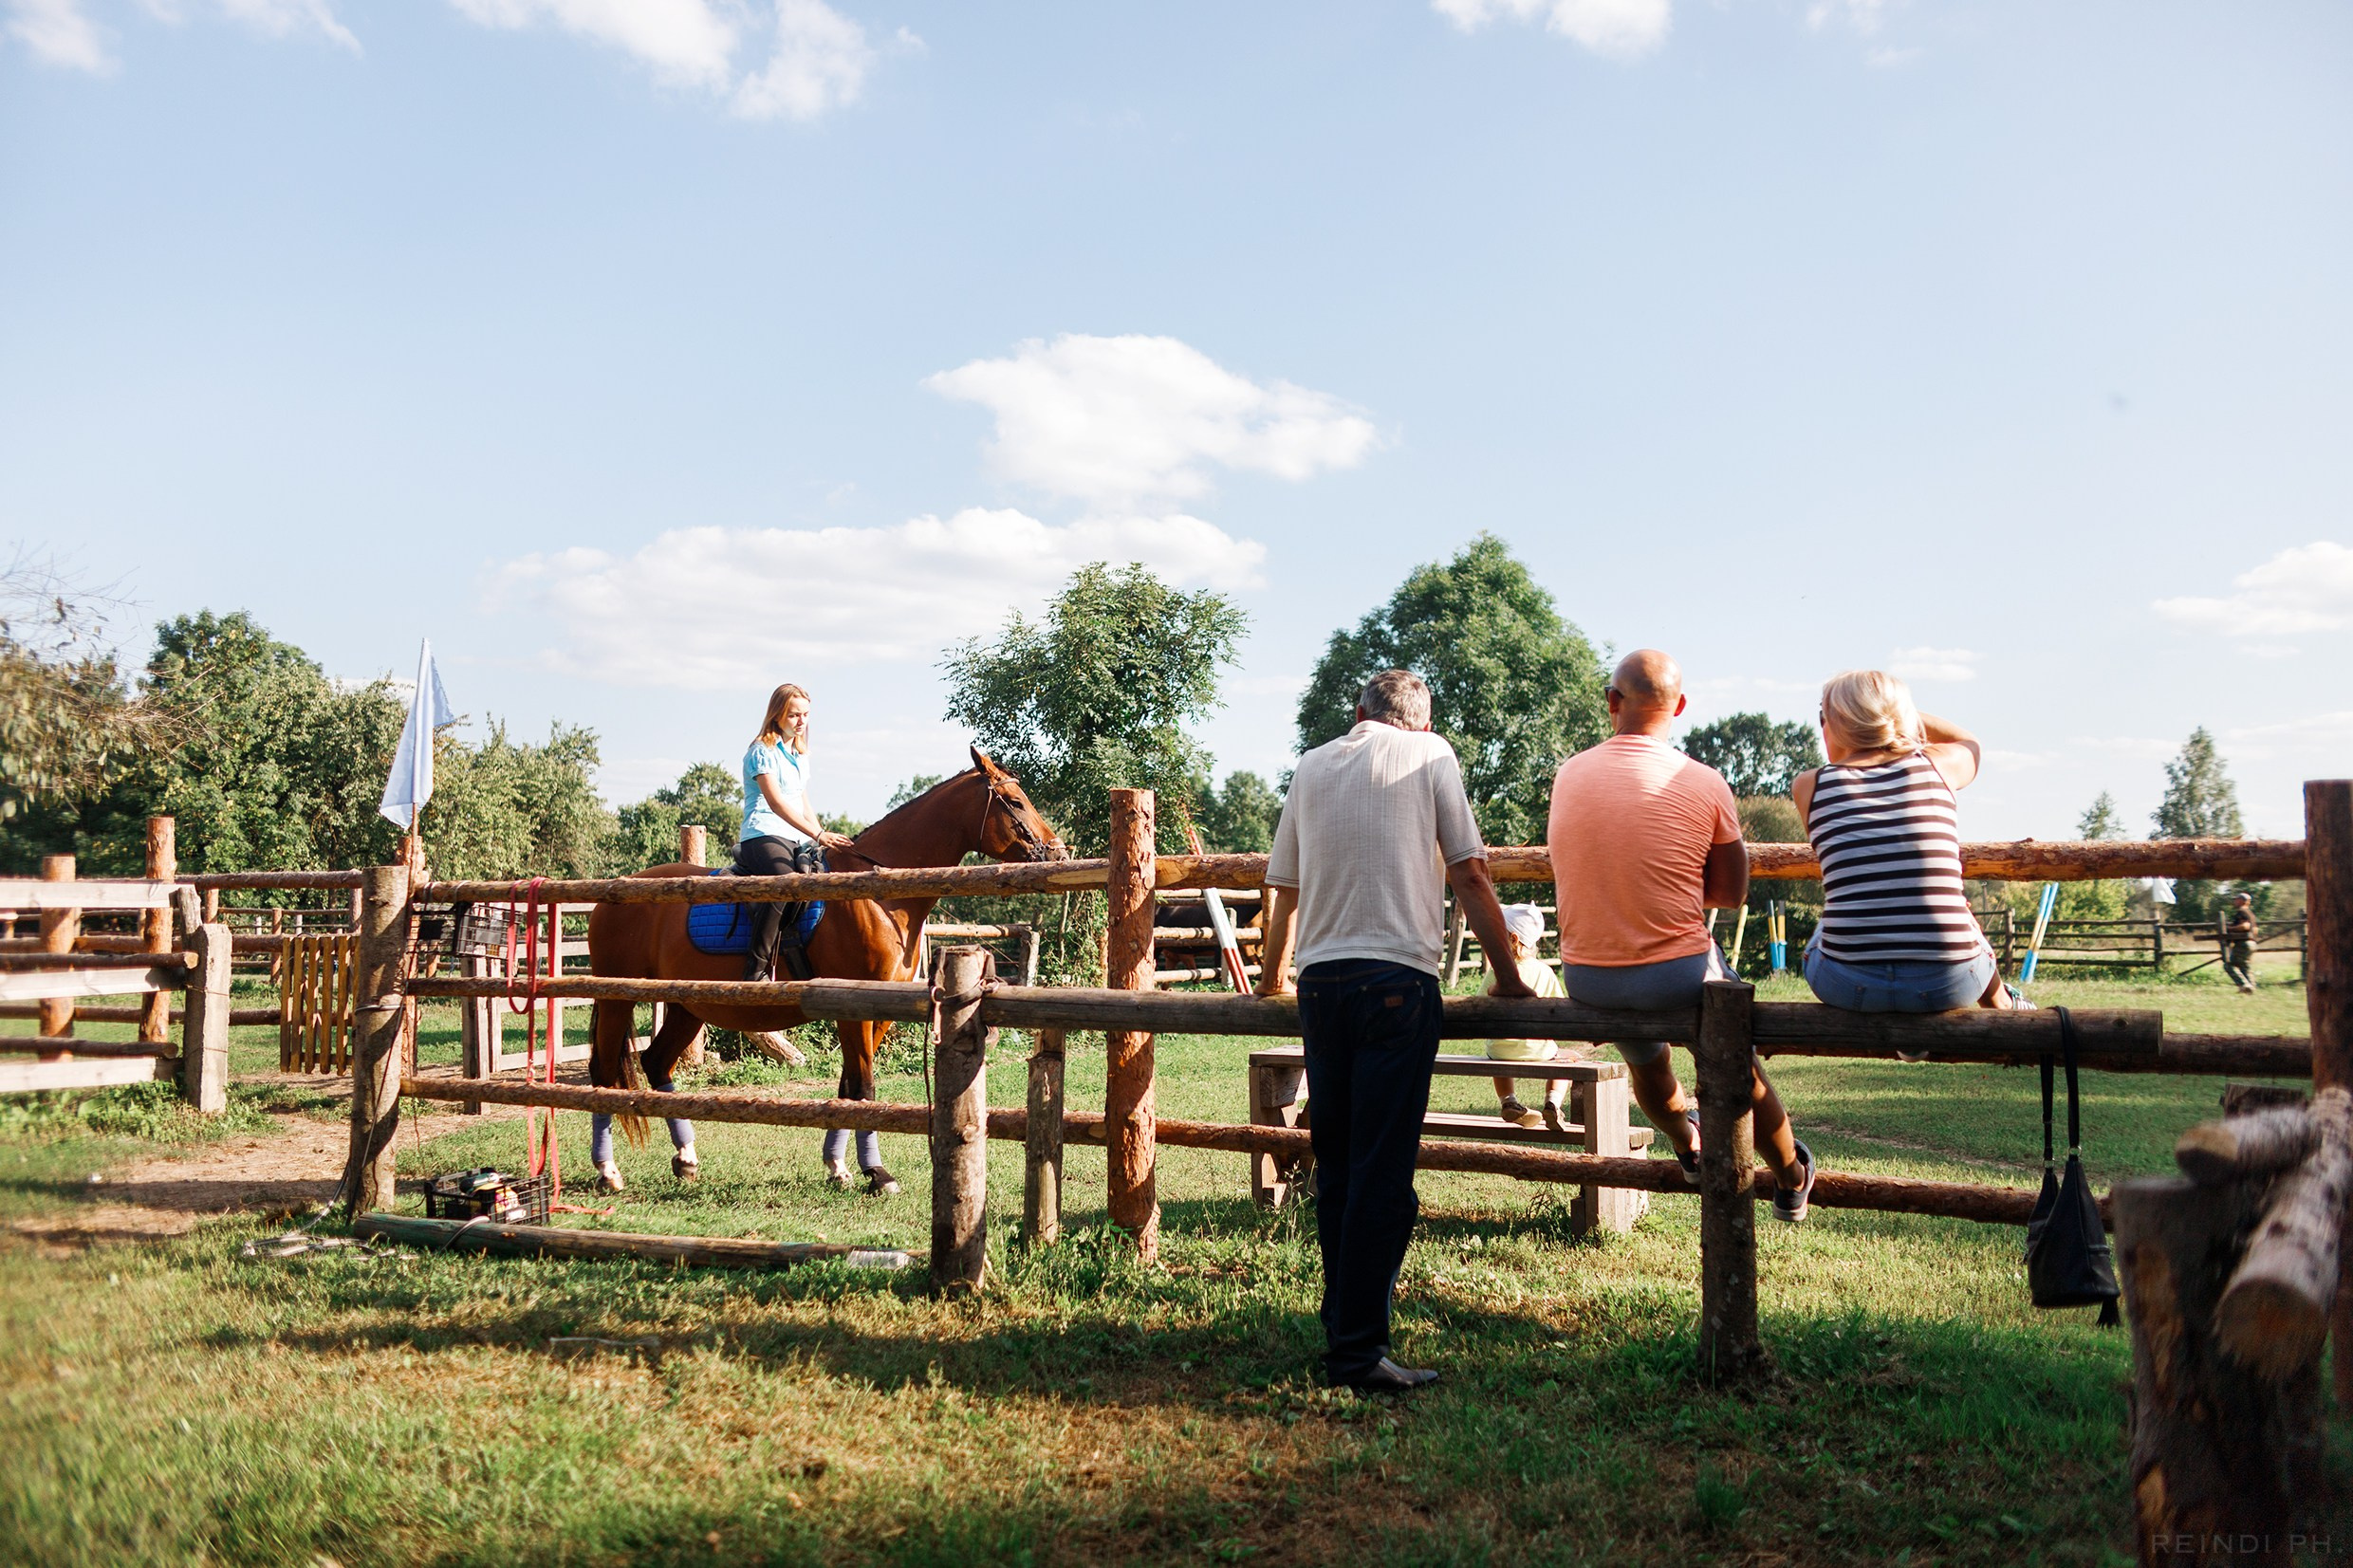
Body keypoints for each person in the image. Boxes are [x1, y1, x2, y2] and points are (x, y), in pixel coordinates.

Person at [1256, 669, 1532, 1394]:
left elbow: (1280, 886)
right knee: (1383, 1173)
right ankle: (1357, 1352)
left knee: (1340, 1163)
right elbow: (1470, 874)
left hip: (1321, 983)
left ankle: (1340, 1324)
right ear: (1421, 720)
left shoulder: (1311, 764)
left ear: (1358, 715)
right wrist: (1508, 976)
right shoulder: (1431, 754)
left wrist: (1269, 977)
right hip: (1396, 982)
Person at [1548, 650, 1816, 1222]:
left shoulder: (1568, 773)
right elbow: (1731, 892)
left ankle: (1686, 1142)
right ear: (1682, 707)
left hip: (1589, 976)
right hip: (1678, 976)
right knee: (1738, 1066)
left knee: (1650, 1069)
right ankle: (1792, 1177)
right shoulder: (1704, 780)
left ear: (1611, 703)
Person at [1791, 670, 2020, 1014]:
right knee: (1961, 914)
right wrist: (1903, 717)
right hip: (1950, 983)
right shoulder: (1938, 767)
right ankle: (2003, 1001)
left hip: (1849, 987)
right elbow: (1969, 743)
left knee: (1830, 919)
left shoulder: (1810, 786)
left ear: (1838, 721)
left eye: (1824, 717)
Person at [736, 683, 857, 983]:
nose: (801, 722)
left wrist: (821, 834)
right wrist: (817, 835)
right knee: (785, 884)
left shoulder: (799, 755)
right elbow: (776, 803)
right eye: (793, 715)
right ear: (777, 715)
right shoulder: (760, 752)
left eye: (805, 715)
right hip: (762, 834)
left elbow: (803, 803)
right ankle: (755, 970)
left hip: (795, 837)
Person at [1485, 904, 1572, 1130]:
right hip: (1539, 1050)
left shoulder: (1496, 971)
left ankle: (1508, 1101)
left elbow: (1481, 1005)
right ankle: (1552, 1103)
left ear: (1512, 938)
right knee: (1561, 1062)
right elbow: (1560, 1009)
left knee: (1498, 1057)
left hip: (1500, 1050)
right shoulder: (1544, 971)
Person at [2222, 893, 2258, 994]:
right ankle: (2250, 989)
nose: (2234, 901)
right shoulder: (2250, 913)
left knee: (2229, 966)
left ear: (2243, 901)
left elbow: (2245, 926)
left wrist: (2229, 929)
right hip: (2251, 943)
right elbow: (2255, 930)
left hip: (2243, 943)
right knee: (2244, 967)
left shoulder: (2241, 912)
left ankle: (2244, 985)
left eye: (2236, 899)